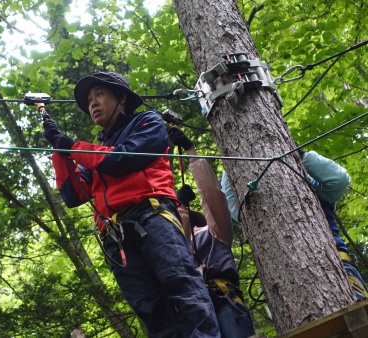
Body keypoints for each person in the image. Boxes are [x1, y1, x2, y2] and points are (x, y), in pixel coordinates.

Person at [42, 71, 220, 337]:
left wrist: (75, 148)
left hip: (153, 215)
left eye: (99, 94)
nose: (92, 103)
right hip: (116, 236)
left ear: (121, 98)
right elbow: (74, 195)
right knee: (151, 310)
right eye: (89, 99)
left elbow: (124, 159)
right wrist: (60, 152)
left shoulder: (147, 122)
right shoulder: (98, 149)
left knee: (182, 285)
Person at [221, 150, 368, 301]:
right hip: (287, 281)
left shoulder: (313, 187)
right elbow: (235, 206)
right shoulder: (255, 209)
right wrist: (231, 162)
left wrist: (301, 155)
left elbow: (339, 179)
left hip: (336, 262)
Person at [169, 127, 255, 338]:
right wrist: (180, 207)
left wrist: (191, 152)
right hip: (195, 313)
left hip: (223, 301)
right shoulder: (175, 246)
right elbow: (178, 234)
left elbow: (212, 195)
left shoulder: (217, 233)